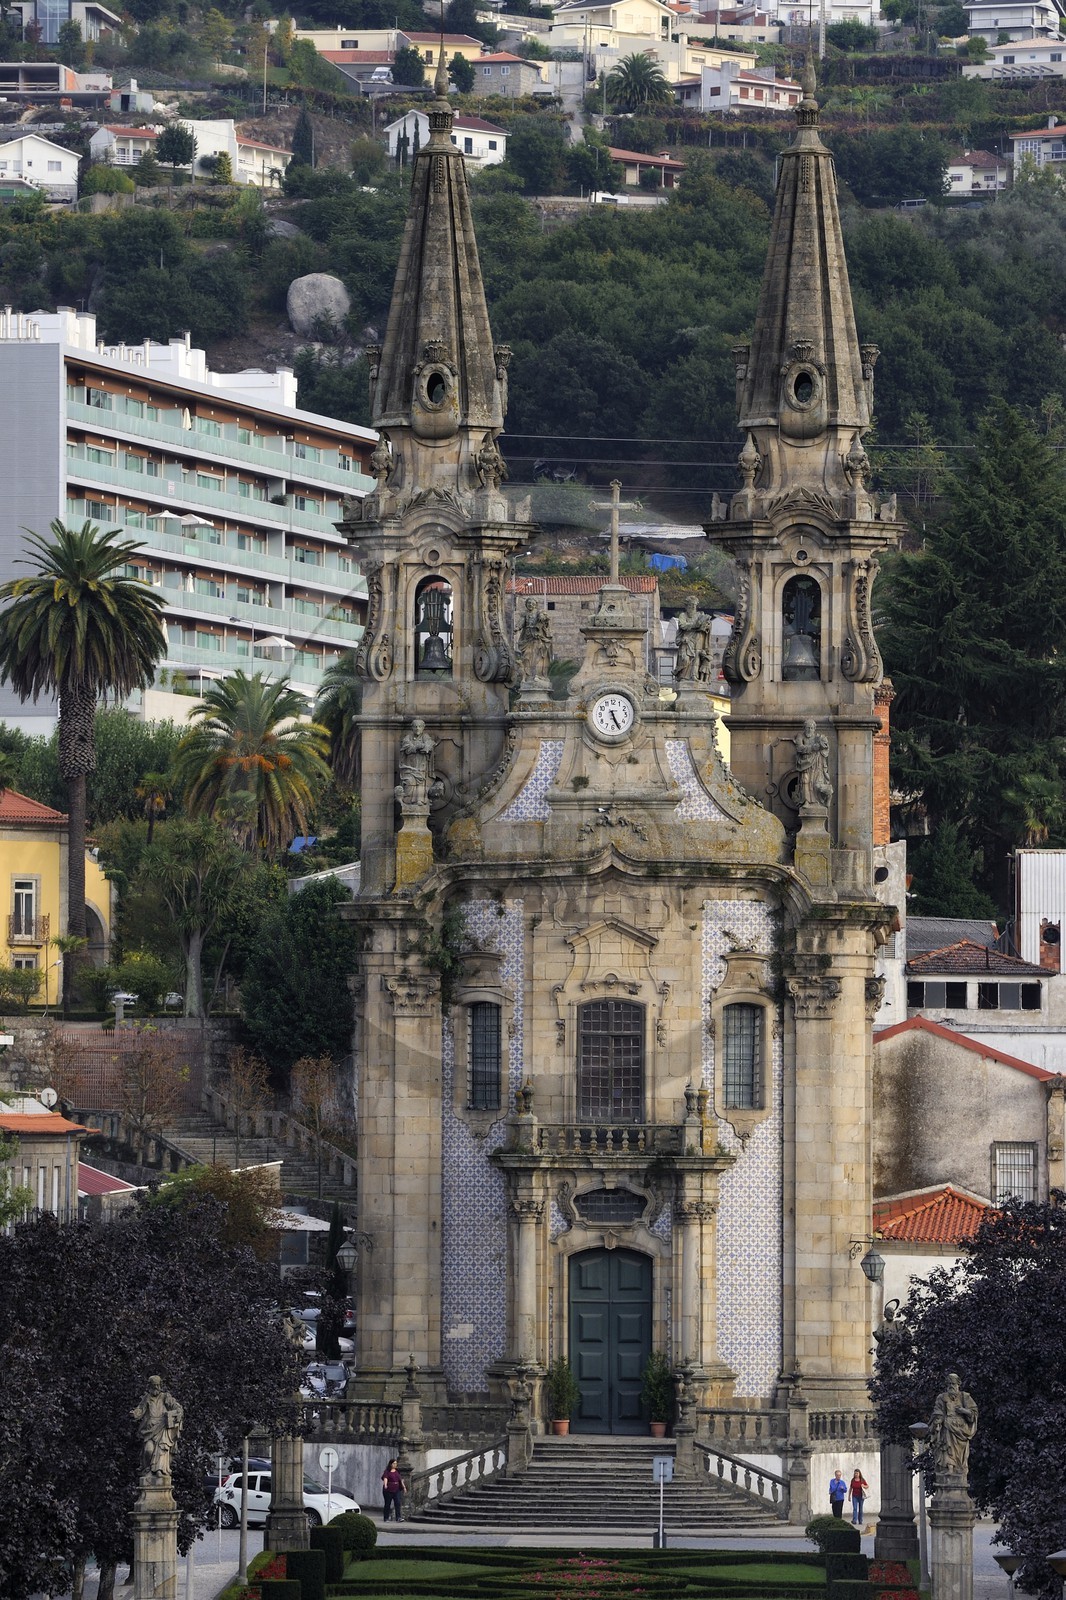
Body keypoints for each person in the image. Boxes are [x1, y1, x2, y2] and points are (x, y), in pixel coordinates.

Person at [381, 1457, 407, 1523]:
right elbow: (385, 1478)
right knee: (387, 1504)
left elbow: (400, 1480)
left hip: (396, 1489)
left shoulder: (397, 1471)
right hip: (389, 1489)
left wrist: (404, 1487)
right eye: (394, 1463)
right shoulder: (387, 1471)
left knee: (397, 1503)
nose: (395, 1465)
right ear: (391, 1464)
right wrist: (386, 1485)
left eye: (396, 1463)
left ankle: (398, 1517)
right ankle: (386, 1517)